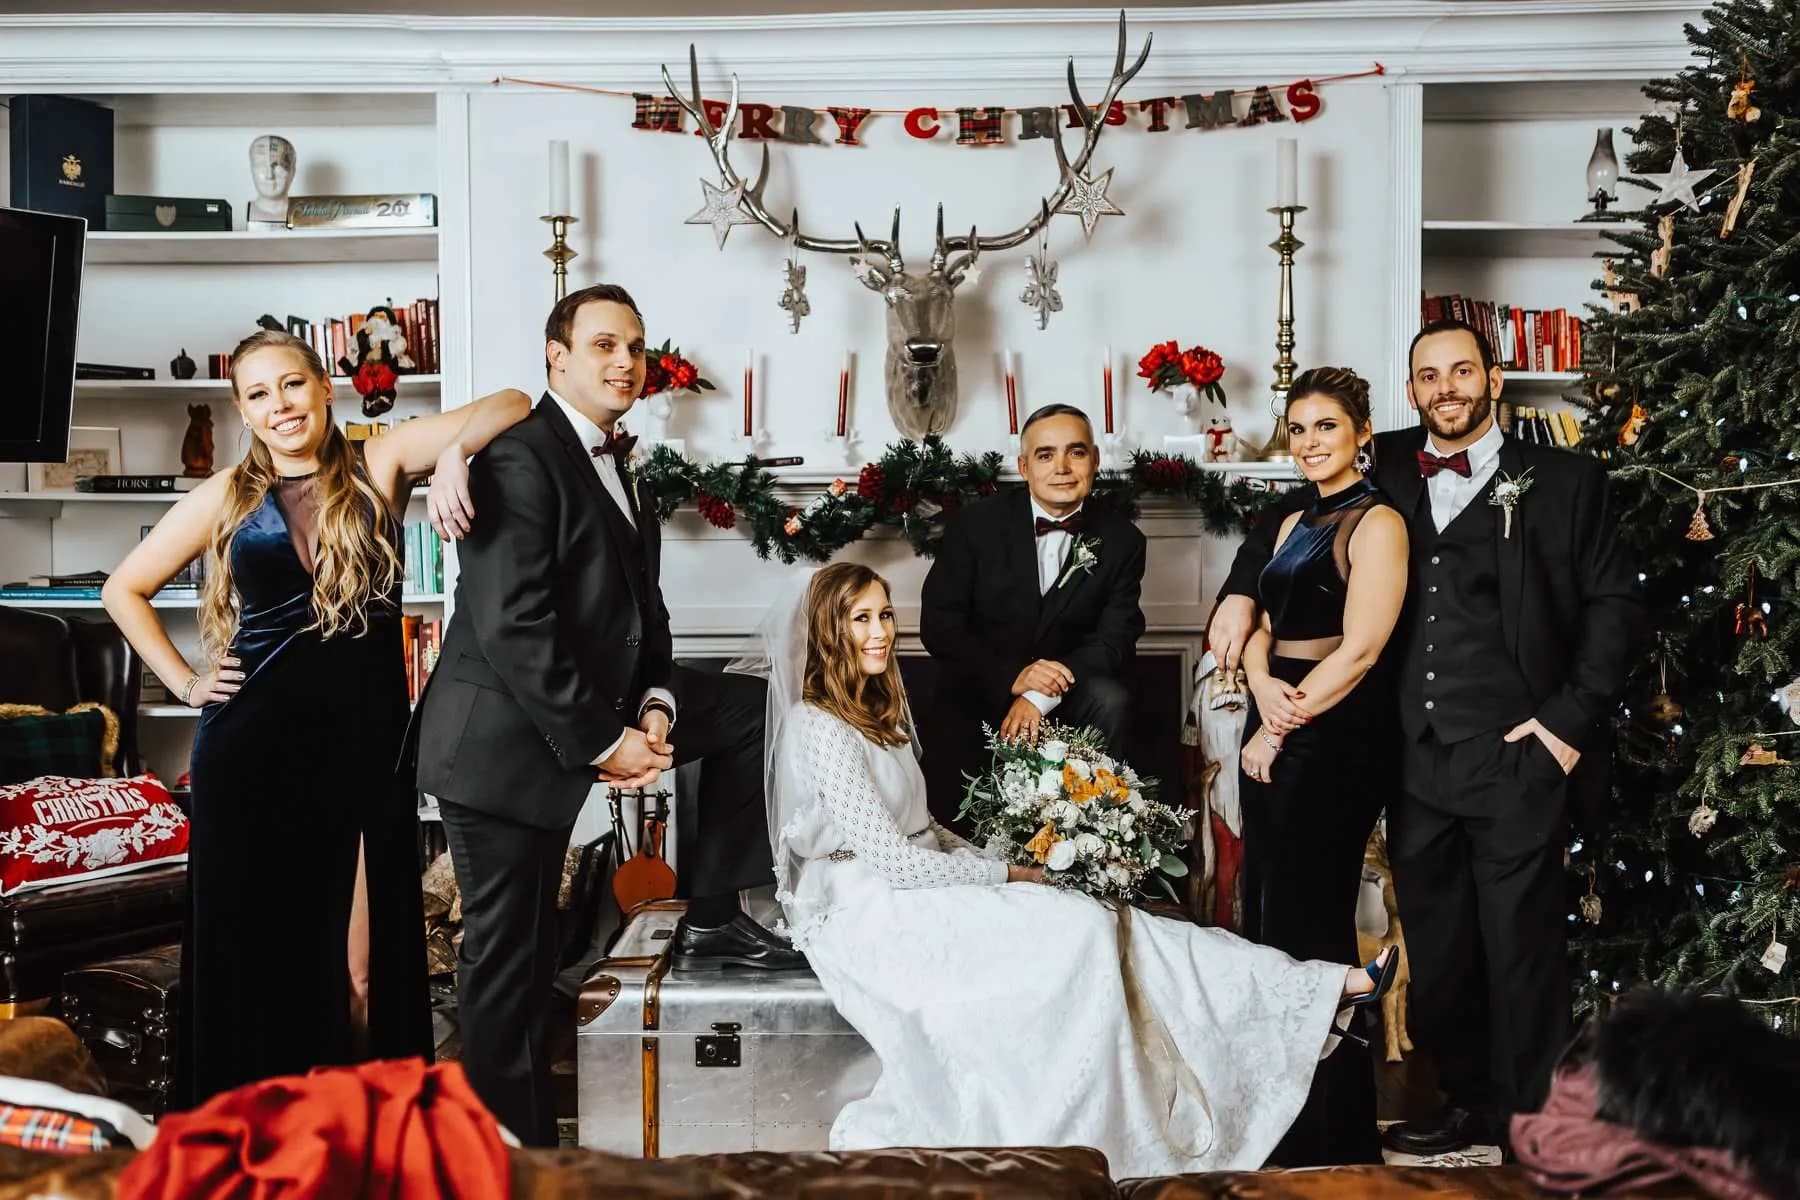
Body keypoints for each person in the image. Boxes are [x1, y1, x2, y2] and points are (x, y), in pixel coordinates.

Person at [749, 561, 1399, 1178]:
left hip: (921, 880)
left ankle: (1310, 991)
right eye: (860, 619)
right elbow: (890, 858)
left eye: (886, 614)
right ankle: (1103, 1118)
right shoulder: (818, 726)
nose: (880, 631)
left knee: (1115, 922)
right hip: (869, 904)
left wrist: (1000, 861)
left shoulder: (880, 714)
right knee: (1085, 929)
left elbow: (924, 830)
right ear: (830, 633)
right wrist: (1010, 879)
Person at [1208, 319, 1643, 1155]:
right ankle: (1468, 1105)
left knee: (1521, 949)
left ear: (1494, 380)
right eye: (1428, 375)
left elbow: (1616, 609)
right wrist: (1235, 592)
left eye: (1461, 372)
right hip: (1412, 756)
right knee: (1440, 949)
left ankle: (1534, 1125)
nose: (1445, 388)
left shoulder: (1566, 479)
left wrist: (1563, 726)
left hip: (1517, 749)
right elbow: (1292, 509)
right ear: (1410, 391)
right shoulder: (1389, 460)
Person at [410, 283, 803, 1149]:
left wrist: (658, 709)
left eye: (635, 347)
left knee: (751, 709)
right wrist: (604, 742)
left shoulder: (620, 465)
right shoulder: (516, 456)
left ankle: (716, 910)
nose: (626, 362)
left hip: (585, 711)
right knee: (509, 961)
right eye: (602, 346)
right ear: (557, 356)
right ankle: (504, 1156)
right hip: (498, 749)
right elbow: (516, 625)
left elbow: (645, 614)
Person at [103, 328, 533, 1108]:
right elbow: (121, 590)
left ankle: (362, 1135)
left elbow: (514, 400)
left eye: (292, 386)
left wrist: (457, 455)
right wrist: (188, 682)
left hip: (363, 753)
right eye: (258, 395)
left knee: (361, 975)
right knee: (258, 965)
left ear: (324, 386)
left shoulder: (381, 461)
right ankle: (265, 1143)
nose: (280, 407)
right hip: (248, 757)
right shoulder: (228, 494)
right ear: (243, 409)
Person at [1234, 367, 1408, 1165]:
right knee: (1268, 921)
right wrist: (1263, 691)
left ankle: (1333, 1130)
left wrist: (1282, 723)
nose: (1309, 443)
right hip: (1277, 712)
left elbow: (1364, 648)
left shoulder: (1379, 523)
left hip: (1337, 734)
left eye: (1326, 427)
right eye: (1298, 429)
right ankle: (1281, 1117)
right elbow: (1262, 625)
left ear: (1362, 433)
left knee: (1313, 925)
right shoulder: (1289, 519)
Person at [919, 403, 1145, 827]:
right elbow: (940, 625)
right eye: (1045, 455)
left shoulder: (1122, 539)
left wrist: (1037, 696)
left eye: (1076, 453)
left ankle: (1086, 831)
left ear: (1095, 460)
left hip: (1068, 694)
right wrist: (1012, 677)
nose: (1062, 467)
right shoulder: (975, 525)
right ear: (1024, 466)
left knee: (1112, 698)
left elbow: (1116, 638)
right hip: (980, 687)